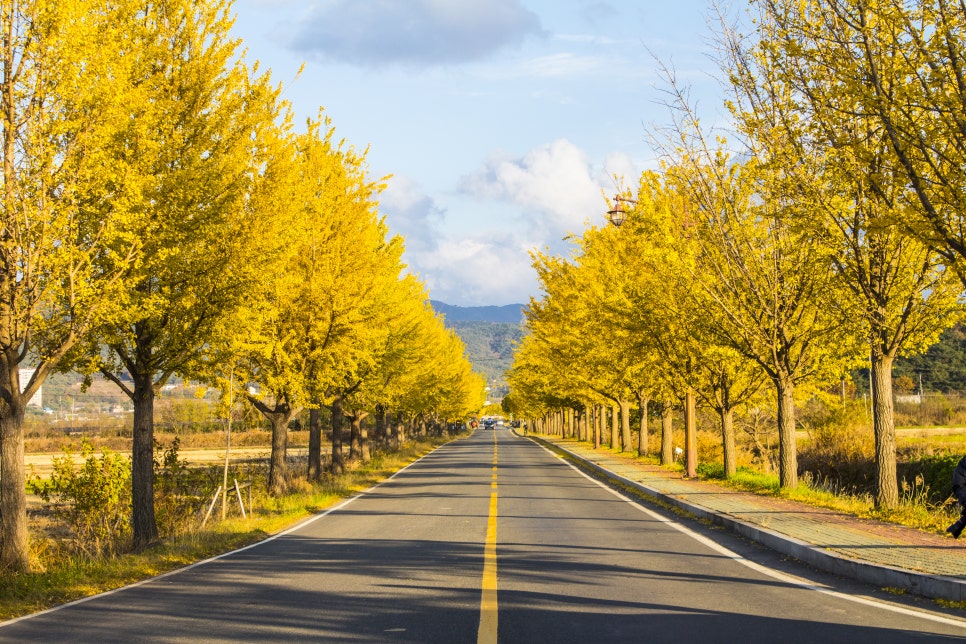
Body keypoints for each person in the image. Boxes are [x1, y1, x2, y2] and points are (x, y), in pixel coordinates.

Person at [947, 456, 966, 538]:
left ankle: (958, 525)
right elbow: (959, 483)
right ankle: (958, 525)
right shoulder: (964, 462)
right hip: (962, 488)